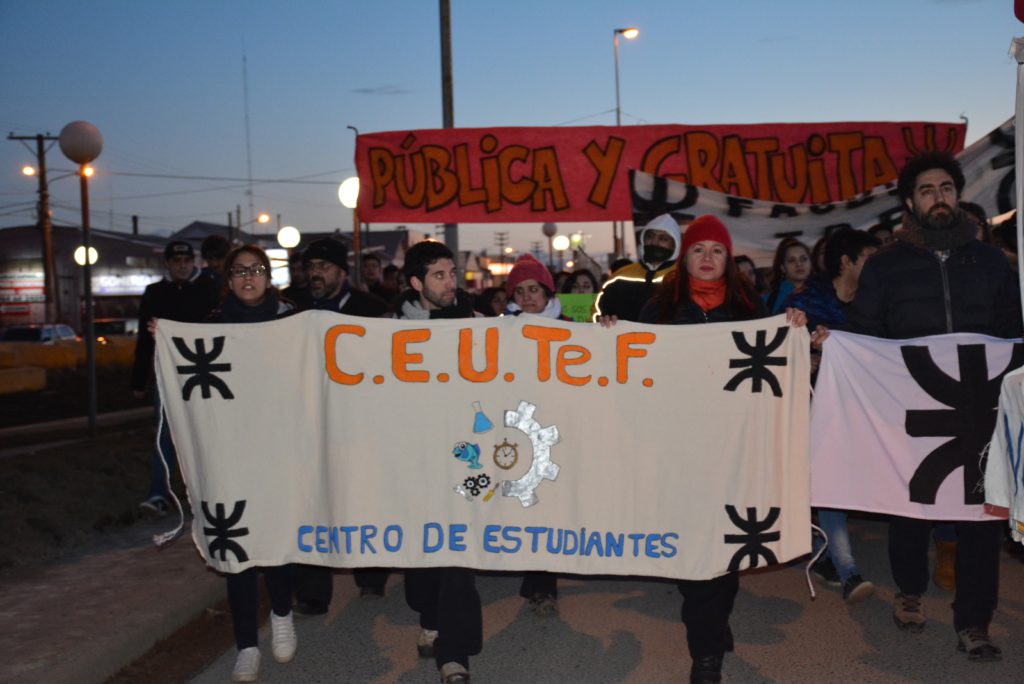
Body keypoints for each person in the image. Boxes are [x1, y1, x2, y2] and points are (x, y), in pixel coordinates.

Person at [846, 151, 1022, 660]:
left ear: (958, 194)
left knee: (982, 518)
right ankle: (909, 591)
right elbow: (864, 332)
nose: (938, 197)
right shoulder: (885, 265)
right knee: (911, 510)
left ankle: (974, 621)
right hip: (912, 410)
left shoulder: (991, 261)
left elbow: (1011, 329)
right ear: (909, 202)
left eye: (946, 187)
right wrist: (833, 347)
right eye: (926, 190)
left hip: (980, 410)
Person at [631, 215, 806, 684]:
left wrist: (793, 328)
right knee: (693, 549)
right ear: (683, 257)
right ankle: (706, 634)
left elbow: (777, 365)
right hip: (679, 449)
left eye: (717, 250)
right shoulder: (658, 311)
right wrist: (611, 336)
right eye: (698, 249)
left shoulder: (751, 310)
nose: (707, 258)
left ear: (728, 260)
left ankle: (707, 647)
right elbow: (635, 368)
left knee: (725, 547)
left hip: (735, 450)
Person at [204, 245, 297, 682]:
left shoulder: (292, 322)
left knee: (275, 538)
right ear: (228, 278)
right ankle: (245, 644)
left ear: (268, 275)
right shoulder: (209, 326)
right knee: (235, 542)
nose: (248, 278)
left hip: (279, 447)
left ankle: (281, 615)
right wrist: (163, 336)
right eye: (239, 271)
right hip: (230, 450)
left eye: (257, 270)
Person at [398, 240, 482, 684]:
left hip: (465, 458)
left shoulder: (477, 323)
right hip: (414, 459)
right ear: (416, 283)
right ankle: (429, 617)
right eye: (439, 276)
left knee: (457, 555)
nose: (452, 283)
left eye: (453, 273)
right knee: (421, 554)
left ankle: (454, 652)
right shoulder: (389, 329)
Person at [291, 238, 390, 614]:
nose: (316, 273)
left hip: (360, 423)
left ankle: (372, 575)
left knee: (365, 499)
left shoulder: (372, 310)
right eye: (311, 266)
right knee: (311, 503)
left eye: (324, 267)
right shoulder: (292, 310)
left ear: (341, 272)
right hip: (308, 424)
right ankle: (313, 592)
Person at [784, 228, 881, 604]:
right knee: (831, 481)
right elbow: (782, 353)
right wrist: (809, 353)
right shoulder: (803, 303)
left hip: (859, 408)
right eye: (870, 258)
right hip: (814, 407)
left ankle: (817, 547)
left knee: (833, 483)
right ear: (848, 262)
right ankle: (847, 569)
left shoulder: (875, 303)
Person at [133, 240, 219, 514]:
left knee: (207, 430)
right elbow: (144, 339)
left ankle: (210, 492)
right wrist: (138, 380)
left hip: (205, 370)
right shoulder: (155, 293)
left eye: (186, 260)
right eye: (176, 261)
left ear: (193, 262)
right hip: (167, 373)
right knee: (165, 433)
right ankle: (160, 491)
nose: (182, 265)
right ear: (168, 264)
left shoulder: (210, 288)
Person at [503, 254, 568, 615]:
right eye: (520, 291)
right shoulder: (502, 330)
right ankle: (538, 580)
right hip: (520, 430)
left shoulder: (573, 328)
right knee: (529, 507)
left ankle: (542, 582)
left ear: (547, 292)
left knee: (551, 508)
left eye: (534, 290)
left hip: (559, 428)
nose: (528, 297)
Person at [593, 213, 681, 322]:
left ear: (674, 245)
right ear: (643, 240)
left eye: (663, 239)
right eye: (650, 236)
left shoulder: (683, 278)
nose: (654, 242)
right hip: (624, 339)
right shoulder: (619, 277)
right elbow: (596, 315)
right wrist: (603, 320)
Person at [764, 238, 811, 314]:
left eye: (803, 259)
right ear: (782, 268)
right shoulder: (768, 300)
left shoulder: (825, 292)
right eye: (791, 260)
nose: (799, 264)